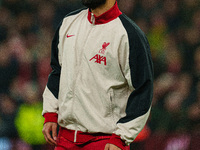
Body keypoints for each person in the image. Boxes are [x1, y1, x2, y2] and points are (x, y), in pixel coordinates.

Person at [42, 0, 153, 150]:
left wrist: (121, 138)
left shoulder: (129, 34)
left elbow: (143, 90)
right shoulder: (68, 23)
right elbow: (57, 72)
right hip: (64, 140)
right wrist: (50, 113)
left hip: (106, 141)